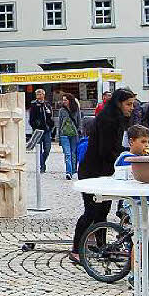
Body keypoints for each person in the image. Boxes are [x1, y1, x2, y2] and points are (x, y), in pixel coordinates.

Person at [69, 87, 137, 263]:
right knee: (91, 212)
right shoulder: (108, 119)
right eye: (128, 104)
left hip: (104, 171)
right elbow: (106, 150)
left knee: (103, 212)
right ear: (119, 103)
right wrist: (128, 156)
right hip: (92, 172)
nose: (131, 108)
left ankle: (102, 247)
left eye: (132, 104)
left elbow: (112, 149)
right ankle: (76, 249)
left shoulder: (118, 118)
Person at [55, 93, 83, 179]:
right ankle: (68, 172)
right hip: (64, 134)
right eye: (63, 100)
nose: (64, 102)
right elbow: (59, 124)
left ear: (70, 100)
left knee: (73, 153)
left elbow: (79, 121)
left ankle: (73, 170)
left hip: (74, 134)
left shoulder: (76, 109)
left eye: (65, 100)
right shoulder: (61, 111)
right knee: (67, 154)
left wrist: (79, 132)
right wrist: (58, 136)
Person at [28, 89, 53, 173]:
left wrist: (50, 125)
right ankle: (42, 166)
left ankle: (42, 162)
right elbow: (31, 119)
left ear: (43, 95)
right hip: (38, 130)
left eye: (40, 94)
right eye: (37, 94)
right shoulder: (33, 104)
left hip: (47, 130)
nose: (38, 96)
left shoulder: (47, 104)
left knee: (47, 149)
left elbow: (50, 116)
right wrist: (35, 126)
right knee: (39, 149)